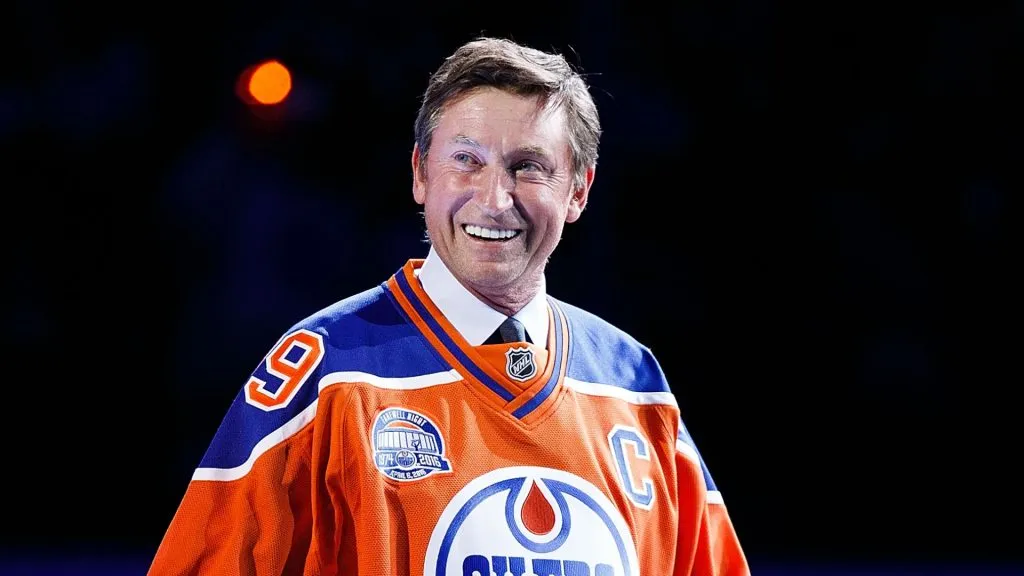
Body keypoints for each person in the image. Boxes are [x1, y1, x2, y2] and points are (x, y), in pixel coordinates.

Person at [148, 36, 749, 576]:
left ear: (578, 191)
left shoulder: (634, 384)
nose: (495, 199)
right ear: (419, 174)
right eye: (467, 160)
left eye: (528, 167)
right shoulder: (327, 372)